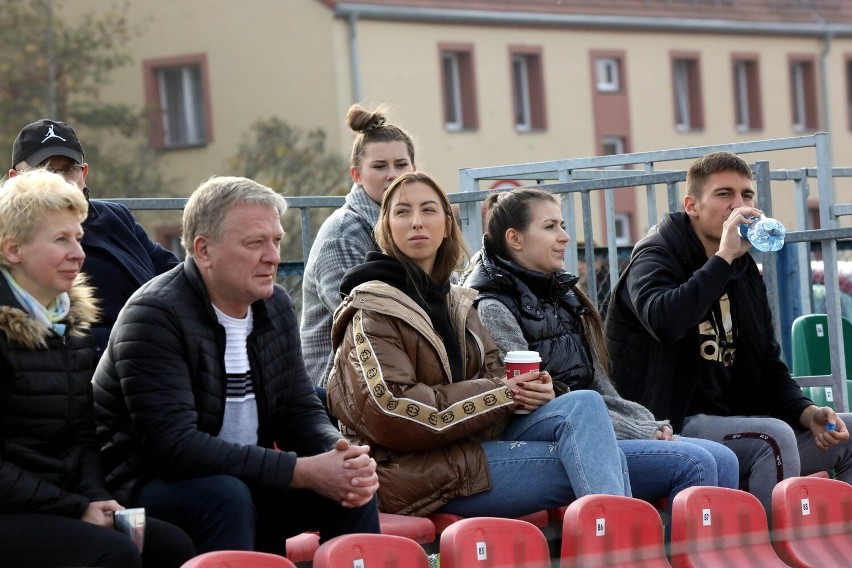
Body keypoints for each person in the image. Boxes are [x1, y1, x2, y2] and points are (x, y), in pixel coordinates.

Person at [93, 176, 380, 554]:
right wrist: (302, 471)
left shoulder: (274, 304)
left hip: (242, 475)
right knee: (226, 495)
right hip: (145, 484)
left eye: (276, 241)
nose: (273, 256)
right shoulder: (155, 314)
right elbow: (174, 446)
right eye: (255, 243)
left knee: (353, 490)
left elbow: (297, 409)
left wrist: (340, 455)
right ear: (204, 250)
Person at [327, 171, 630, 519]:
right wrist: (502, 394)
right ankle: (616, 552)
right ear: (386, 228)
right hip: (411, 472)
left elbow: (496, 377)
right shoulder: (371, 309)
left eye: (428, 210)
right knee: (592, 461)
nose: (416, 222)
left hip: (470, 446)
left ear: (446, 224)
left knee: (585, 405)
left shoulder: (459, 302)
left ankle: (613, 548)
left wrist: (537, 393)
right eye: (402, 212)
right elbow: (392, 410)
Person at [604, 151, 852, 513]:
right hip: (666, 425)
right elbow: (666, 322)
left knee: (845, 429)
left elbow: (768, 364)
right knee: (773, 437)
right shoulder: (655, 256)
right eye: (724, 194)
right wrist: (721, 260)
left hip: (732, 421)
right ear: (692, 205)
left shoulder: (742, 268)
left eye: (747, 195)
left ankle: (835, 548)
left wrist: (806, 411)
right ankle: (771, 554)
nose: (739, 205)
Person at [464, 187, 739, 511]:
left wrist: (645, 423)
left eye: (563, 225)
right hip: (538, 432)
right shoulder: (492, 306)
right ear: (515, 238)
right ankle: (652, 555)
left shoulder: (565, 297)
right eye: (550, 227)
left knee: (724, 459)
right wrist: (633, 430)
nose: (565, 237)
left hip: (591, 421)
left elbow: (599, 384)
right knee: (696, 463)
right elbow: (541, 401)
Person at [0, 170, 194, 568]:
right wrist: (74, 508)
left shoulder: (67, 324)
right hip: (14, 509)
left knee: (172, 545)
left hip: (56, 501)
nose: (79, 253)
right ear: (12, 249)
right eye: (61, 240)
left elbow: (84, 436)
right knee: (114, 554)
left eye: (79, 238)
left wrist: (94, 497)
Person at [9, 119, 179, 358]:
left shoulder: (115, 218)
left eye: (69, 169)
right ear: (15, 178)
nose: (60, 181)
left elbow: (175, 277)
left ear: (84, 173)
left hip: (158, 356)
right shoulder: (12, 239)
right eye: (44, 170)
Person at [302, 104, 416, 387]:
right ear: (356, 175)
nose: (392, 175)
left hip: (400, 372)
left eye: (401, 164)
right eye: (379, 166)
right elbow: (361, 320)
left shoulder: (417, 223)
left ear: (414, 169)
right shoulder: (343, 233)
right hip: (341, 389)